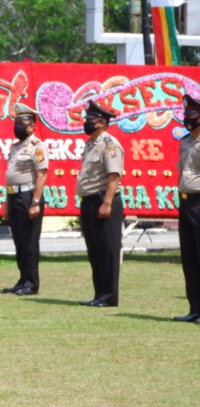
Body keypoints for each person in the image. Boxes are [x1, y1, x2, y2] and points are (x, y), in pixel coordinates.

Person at [77, 102, 124, 308]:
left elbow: (113, 175)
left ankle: (109, 296)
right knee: (95, 250)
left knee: (108, 250)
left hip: (103, 200)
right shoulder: (90, 144)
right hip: (89, 201)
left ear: (102, 123)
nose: (86, 123)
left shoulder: (110, 144)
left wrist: (107, 203)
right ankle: (99, 294)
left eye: (90, 119)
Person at [2, 103, 48, 296]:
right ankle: (22, 280)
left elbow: (42, 174)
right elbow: (10, 175)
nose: (18, 126)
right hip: (14, 196)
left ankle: (31, 283)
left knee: (29, 241)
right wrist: (6, 204)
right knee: (19, 242)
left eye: (22, 123)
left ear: (32, 126)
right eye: (16, 122)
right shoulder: (15, 147)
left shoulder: (37, 146)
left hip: (28, 195)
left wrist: (35, 202)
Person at [173, 94, 200, 323]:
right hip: (186, 201)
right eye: (186, 114)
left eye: (192, 114)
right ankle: (195, 308)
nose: (188, 118)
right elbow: (181, 172)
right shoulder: (185, 141)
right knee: (189, 256)